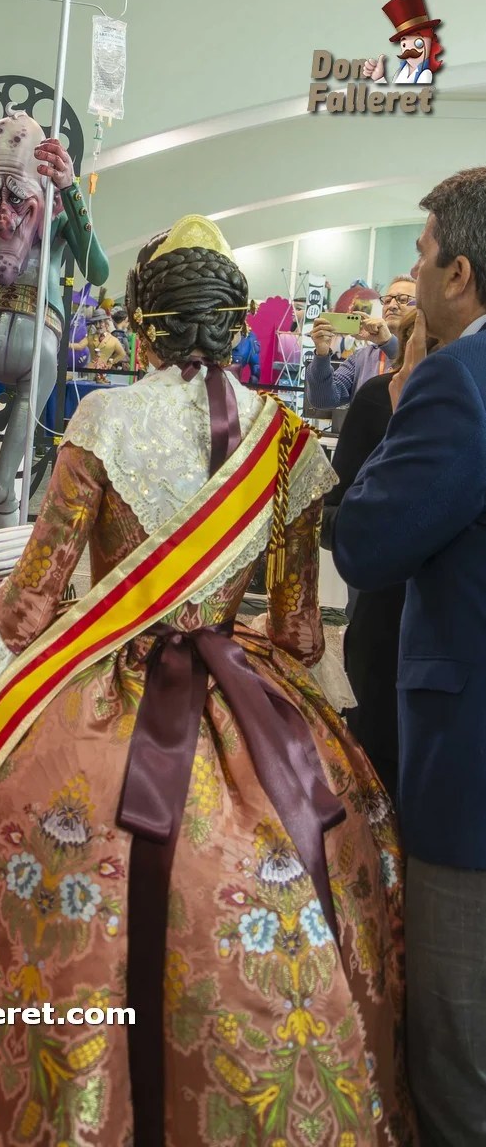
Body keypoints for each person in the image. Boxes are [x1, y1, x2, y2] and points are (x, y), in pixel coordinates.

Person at [0, 217, 415, 1147]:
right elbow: (300, 633)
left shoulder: (102, 419)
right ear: (234, 329)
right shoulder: (287, 437)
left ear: (140, 329)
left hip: (99, 700)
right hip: (246, 699)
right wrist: (239, 628)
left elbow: (29, 605)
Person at [334, 167, 486, 1147]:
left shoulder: (458, 384)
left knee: (455, 1049)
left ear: (459, 275)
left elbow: (368, 541)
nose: (412, 271)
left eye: (423, 255)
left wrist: (397, 403)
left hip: (470, 772)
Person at [321, 308, 436, 803]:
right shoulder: (377, 398)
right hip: (382, 623)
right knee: (376, 780)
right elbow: (336, 517)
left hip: (444, 638)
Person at [305, 275, 415, 409]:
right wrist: (321, 354)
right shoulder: (362, 358)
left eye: (402, 299)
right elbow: (322, 400)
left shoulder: (432, 351)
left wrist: (388, 342)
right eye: (387, 301)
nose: (391, 306)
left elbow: (415, 373)